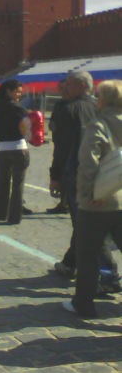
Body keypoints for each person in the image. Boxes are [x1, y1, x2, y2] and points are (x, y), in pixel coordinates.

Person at [52, 71, 120, 291]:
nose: (65, 88)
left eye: (70, 84)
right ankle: (70, 263)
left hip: (85, 176)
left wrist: (56, 175)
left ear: (82, 86)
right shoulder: (98, 109)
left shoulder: (69, 109)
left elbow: (66, 148)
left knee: (89, 228)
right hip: (115, 181)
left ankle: (106, 277)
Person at [0, 80, 32, 224]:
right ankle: (14, 216)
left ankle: (0, 212)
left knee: (2, 182)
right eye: (18, 91)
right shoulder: (18, 109)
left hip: (2, 149)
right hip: (18, 147)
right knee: (17, 184)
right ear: (9, 91)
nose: (20, 94)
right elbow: (27, 130)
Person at [46, 80, 70, 214]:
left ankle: (68, 203)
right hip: (59, 143)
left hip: (70, 144)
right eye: (60, 88)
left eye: (64, 88)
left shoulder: (74, 104)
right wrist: (52, 126)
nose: (62, 91)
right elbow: (52, 120)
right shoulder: (59, 104)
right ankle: (63, 202)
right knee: (60, 172)